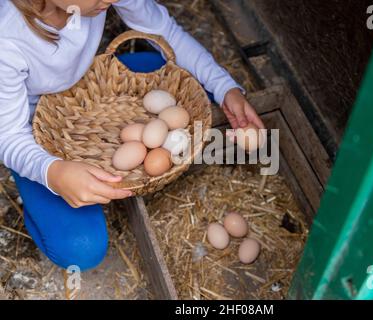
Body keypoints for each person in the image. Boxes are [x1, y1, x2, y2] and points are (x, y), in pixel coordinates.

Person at [0, 0, 265, 271]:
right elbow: (9, 135)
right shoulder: (7, 37)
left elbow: (165, 33)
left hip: (91, 86)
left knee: (164, 68)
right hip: (33, 130)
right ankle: (32, 197)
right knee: (81, 250)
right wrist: (52, 173)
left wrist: (225, 88)